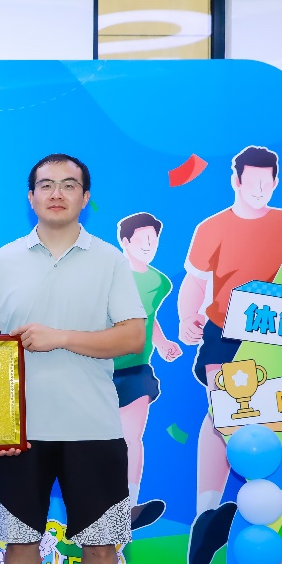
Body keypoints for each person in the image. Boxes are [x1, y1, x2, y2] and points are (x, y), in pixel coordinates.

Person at [0, 153, 146, 564]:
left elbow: (132, 338)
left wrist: (61, 337)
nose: (56, 193)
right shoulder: (1, 261)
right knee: (19, 541)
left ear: (85, 197)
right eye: (45, 184)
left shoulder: (110, 260)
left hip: (93, 426)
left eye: (69, 185)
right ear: (30, 197)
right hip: (20, 431)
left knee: (101, 543)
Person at [176, 146, 282, 564]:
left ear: (276, 182)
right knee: (223, 416)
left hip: (278, 332)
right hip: (225, 333)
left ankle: (259, 513)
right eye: (253, 182)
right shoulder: (212, 227)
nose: (260, 189)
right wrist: (186, 317)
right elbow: (195, 282)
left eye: (268, 183)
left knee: (263, 419)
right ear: (236, 181)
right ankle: (208, 516)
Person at [114, 212, 182, 530]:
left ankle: (128, 508)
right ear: (125, 242)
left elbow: (148, 316)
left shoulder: (159, 282)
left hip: (137, 371)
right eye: (141, 240)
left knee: (132, 437)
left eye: (153, 241)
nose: (148, 246)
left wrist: (163, 343)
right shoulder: (108, 275)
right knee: (96, 442)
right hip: (97, 370)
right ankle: (97, 507)